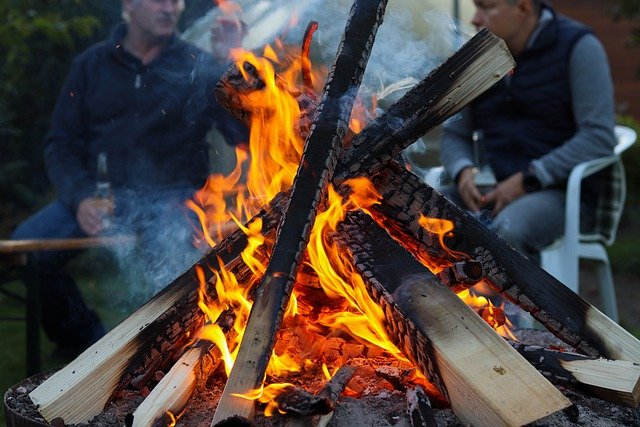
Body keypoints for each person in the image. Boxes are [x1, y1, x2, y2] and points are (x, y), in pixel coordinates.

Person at [11, 0, 247, 354]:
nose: (170, 8)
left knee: (176, 265)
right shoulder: (91, 66)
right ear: (129, 6)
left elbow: (244, 134)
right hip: (97, 196)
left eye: (176, 1)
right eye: (159, 0)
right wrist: (80, 197)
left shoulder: (198, 64)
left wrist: (231, 64)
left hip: (172, 199)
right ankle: (89, 345)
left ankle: (164, 352)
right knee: (30, 247)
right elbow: (60, 144)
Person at [440, 0, 616, 264]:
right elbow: (455, 133)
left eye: (486, 7)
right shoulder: (479, 57)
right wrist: (463, 171)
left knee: (509, 230)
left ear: (522, 8)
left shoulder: (578, 47)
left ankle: (512, 307)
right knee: (421, 213)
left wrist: (529, 179)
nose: (475, 19)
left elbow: (598, 137)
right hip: (493, 189)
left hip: (561, 195)